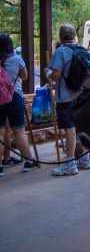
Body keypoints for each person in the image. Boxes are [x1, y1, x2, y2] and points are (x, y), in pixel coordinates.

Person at [47, 24, 90, 176]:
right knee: (81, 128)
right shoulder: (83, 50)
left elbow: (56, 75)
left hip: (66, 97)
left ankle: (70, 164)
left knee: (70, 131)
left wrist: (48, 72)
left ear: (61, 37)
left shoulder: (61, 52)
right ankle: (85, 159)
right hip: (82, 96)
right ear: (74, 36)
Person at [0, 35, 36, 176]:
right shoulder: (16, 59)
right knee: (19, 131)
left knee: (1, 133)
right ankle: (29, 162)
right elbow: (25, 76)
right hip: (14, 97)